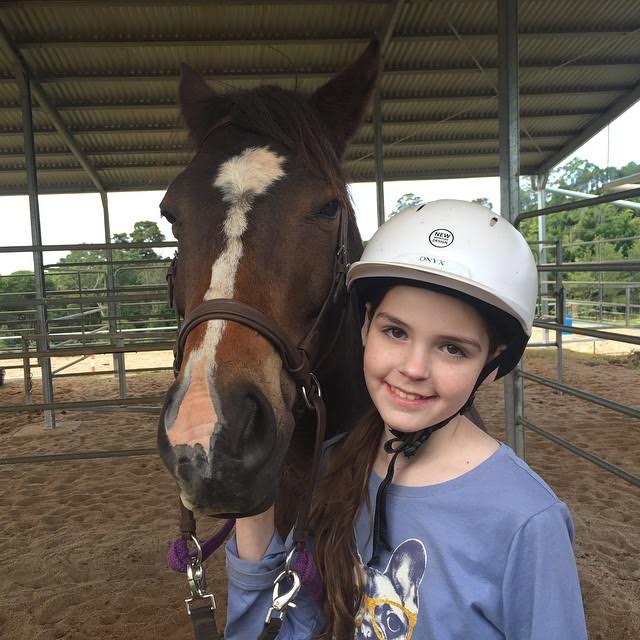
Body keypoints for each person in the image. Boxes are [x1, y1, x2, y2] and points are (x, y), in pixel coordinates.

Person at [225, 200, 587, 639]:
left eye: (452, 348)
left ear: (492, 365)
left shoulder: (527, 522)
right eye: (395, 332)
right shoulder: (333, 463)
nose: (413, 368)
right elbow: (292, 627)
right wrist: (253, 504)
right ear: (364, 328)